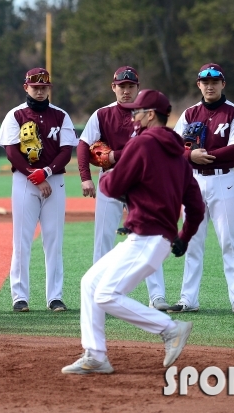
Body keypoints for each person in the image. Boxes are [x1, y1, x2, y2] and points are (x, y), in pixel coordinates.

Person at [62, 90, 205, 374]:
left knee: (105, 294)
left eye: (137, 112)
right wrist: (184, 238)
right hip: (152, 237)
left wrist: (107, 165)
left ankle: (169, 329)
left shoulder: (141, 145)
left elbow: (111, 187)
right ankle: (96, 354)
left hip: (149, 238)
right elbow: (196, 206)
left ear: (151, 114)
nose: (133, 118)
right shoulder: (179, 156)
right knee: (90, 283)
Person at [77, 65, 170, 311]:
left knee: (151, 236)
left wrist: (117, 154)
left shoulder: (149, 114)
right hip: (111, 179)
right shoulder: (102, 114)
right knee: (104, 238)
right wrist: (85, 177)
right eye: (121, 86)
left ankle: (157, 296)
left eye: (130, 86)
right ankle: (98, 294)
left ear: (137, 88)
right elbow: (84, 144)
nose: (126, 91)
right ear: (113, 87)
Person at [169, 63, 234, 316]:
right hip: (192, 181)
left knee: (229, 241)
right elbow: (173, 148)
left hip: (222, 180)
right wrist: (190, 154)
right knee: (193, 242)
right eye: (205, 82)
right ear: (199, 85)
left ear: (222, 84)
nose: (210, 85)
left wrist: (208, 155)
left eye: (214, 81)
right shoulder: (189, 113)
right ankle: (188, 299)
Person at [0, 68, 78, 312]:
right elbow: (11, 151)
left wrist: (47, 173)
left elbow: (66, 151)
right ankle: (19, 297)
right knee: (21, 240)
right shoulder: (15, 115)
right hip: (24, 181)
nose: (40, 91)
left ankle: (55, 297)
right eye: (35, 87)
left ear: (49, 88)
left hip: (54, 180)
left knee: (53, 240)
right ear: (26, 88)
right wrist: (35, 176)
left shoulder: (61, 116)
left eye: (44, 87)